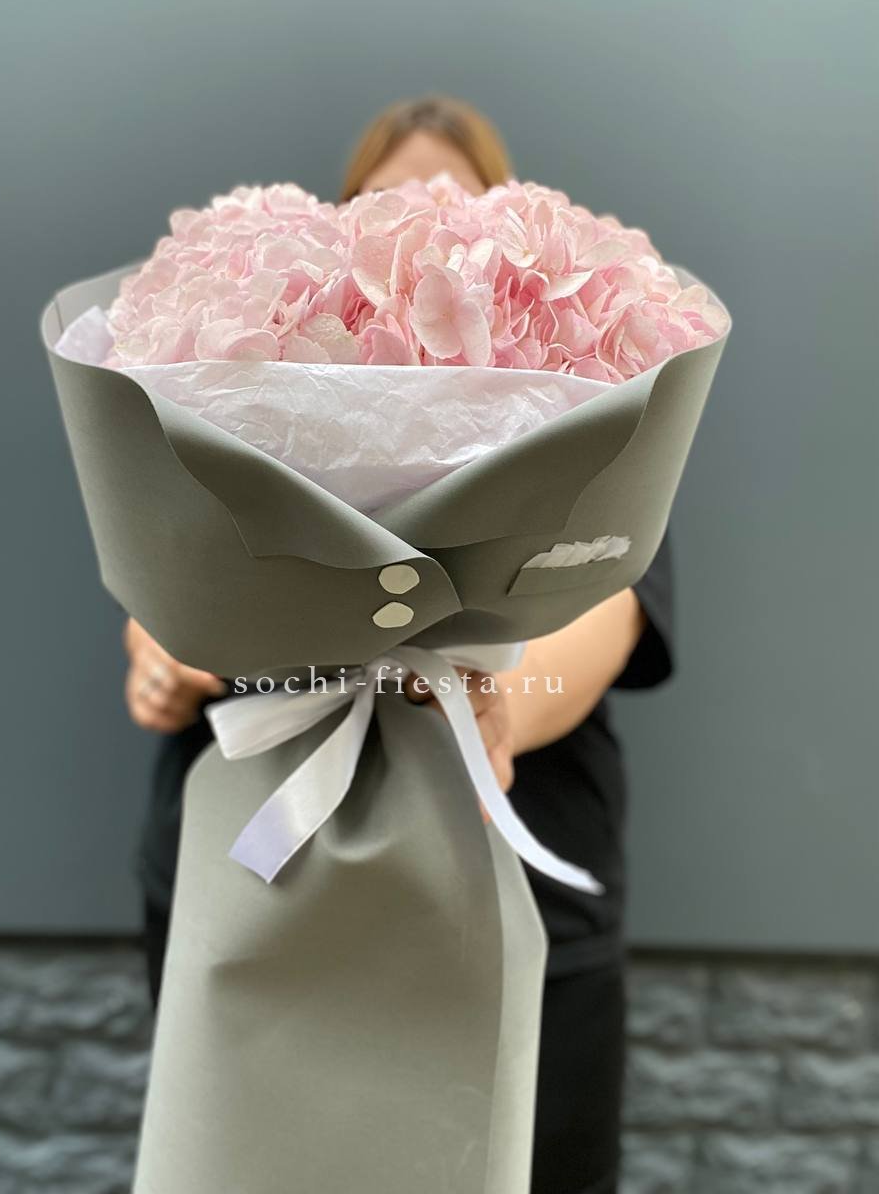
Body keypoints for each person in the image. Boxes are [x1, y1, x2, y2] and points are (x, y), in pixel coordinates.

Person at [124, 96, 674, 1194]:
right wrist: (161, 644)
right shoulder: (263, 359)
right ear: (339, 218)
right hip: (255, 872)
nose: (424, 224)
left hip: (506, 868)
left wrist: (502, 703)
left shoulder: (591, 393)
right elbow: (167, 548)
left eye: (455, 203)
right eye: (386, 201)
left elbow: (608, 602)